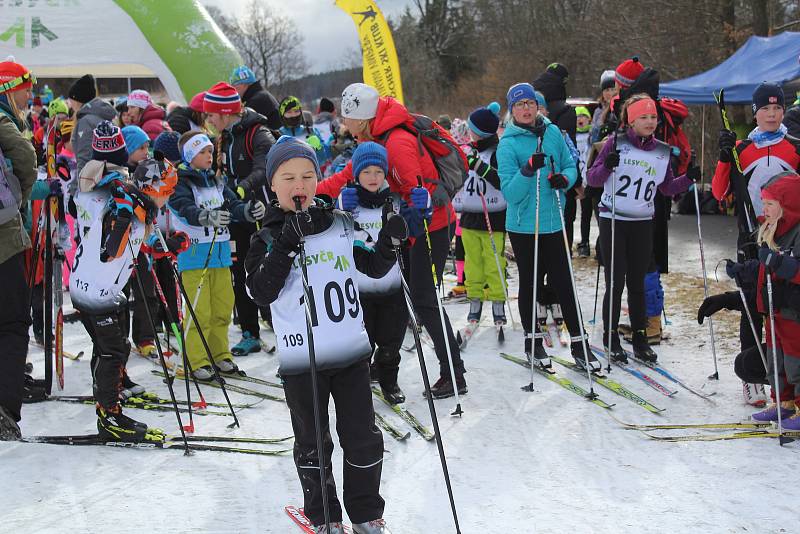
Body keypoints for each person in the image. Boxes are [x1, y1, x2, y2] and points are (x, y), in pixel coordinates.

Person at [245, 136, 404, 534]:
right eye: (288, 178)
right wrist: (285, 241)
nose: (298, 185)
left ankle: (366, 513)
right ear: (273, 185)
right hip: (303, 361)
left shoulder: (339, 222)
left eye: (306, 176)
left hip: (351, 353)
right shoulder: (264, 238)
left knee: (363, 437)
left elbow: (373, 266)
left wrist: (390, 242)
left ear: (318, 179)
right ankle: (324, 516)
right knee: (314, 444)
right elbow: (260, 292)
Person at [317, 82, 467, 399]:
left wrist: (409, 226)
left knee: (423, 299)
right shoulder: (374, 140)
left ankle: (453, 373)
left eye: (347, 117)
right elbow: (343, 179)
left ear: (360, 117)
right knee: (406, 295)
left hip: (431, 228)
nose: (344, 124)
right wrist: (304, 194)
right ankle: (383, 364)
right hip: (408, 230)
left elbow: (418, 196)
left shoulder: (396, 142)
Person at [69, 121, 167, 440]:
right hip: (93, 289)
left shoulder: (137, 206)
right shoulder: (122, 202)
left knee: (112, 347)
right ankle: (109, 415)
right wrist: (120, 219)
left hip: (105, 287)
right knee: (113, 348)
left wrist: (168, 243)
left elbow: (140, 240)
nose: (166, 200)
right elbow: (108, 248)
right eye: (165, 192)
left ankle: (110, 396)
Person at [497, 82, 599, 371]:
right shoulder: (508, 144)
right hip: (524, 227)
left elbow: (570, 165)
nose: (526, 109)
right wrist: (528, 170)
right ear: (512, 110)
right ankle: (533, 343)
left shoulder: (553, 133)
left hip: (554, 221)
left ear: (537, 106)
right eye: (519, 105)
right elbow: (511, 194)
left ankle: (580, 345)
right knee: (531, 284)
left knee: (564, 283)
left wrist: (564, 180)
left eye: (530, 103)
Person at [588, 94, 697, 363]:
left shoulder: (662, 150)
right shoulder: (615, 142)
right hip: (614, 219)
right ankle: (611, 338)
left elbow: (667, 188)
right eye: (643, 117)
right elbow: (592, 179)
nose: (650, 122)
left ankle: (639, 339)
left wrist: (688, 180)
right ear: (631, 120)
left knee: (637, 283)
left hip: (642, 223)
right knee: (615, 282)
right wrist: (607, 166)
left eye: (653, 117)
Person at [712, 82, 800, 369]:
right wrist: (725, 158)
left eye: (777, 108)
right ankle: (752, 375)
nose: (772, 114)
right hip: (751, 236)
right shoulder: (742, 149)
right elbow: (718, 191)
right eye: (765, 109)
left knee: (783, 308)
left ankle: (782, 376)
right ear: (755, 113)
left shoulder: (795, 148)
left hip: (786, 241)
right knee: (752, 304)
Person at [168, 130, 264, 379]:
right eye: (203, 152)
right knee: (200, 311)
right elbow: (183, 207)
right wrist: (205, 216)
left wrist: (248, 211)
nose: (209, 156)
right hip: (194, 254)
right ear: (190, 155)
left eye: (210, 151)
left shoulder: (216, 181)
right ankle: (197, 360)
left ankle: (219, 355)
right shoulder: (180, 182)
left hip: (220, 253)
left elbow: (233, 204)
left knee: (222, 307)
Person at [204, 81, 275, 356]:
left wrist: (242, 187)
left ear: (224, 113)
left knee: (267, 270)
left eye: (211, 115)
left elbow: (265, 167)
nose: (208, 120)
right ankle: (249, 332)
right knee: (240, 272)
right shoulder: (224, 137)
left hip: (262, 213)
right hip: (236, 215)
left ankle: (281, 324)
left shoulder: (258, 133)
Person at [338, 141, 409, 404]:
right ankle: (360, 383)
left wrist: (419, 212)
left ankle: (389, 382)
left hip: (392, 287)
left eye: (378, 172)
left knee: (391, 343)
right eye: (366, 172)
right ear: (356, 174)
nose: (373, 177)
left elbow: (408, 233)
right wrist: (341, 209)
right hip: (359, 290)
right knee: (363, 345)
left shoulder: (395, 201)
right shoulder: (347, 201)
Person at [733, 171, 800, 429]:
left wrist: (783, 265)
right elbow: (765, 268)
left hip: (792, 310)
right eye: (764, 202)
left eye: (770, 203)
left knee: (795, 361)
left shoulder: (796, 234)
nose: (765, 209)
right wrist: (747, 270)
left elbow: (789, 268)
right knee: (776, 359)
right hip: (773, 310)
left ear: (788, 205)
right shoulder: (772, 230)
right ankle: (782, 402)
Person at [0, 59, 39, 439]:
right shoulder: (2, 120)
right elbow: (27, 161)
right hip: (3, 238)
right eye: (25, 89)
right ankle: (4, 411)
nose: (30, 96)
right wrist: (21, 201)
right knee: (12, 323)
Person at [453, 102, 508, 328]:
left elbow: (502, 180)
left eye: (473, 130)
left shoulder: (498, 152)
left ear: (482, 132)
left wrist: (479, 168)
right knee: (472, 263)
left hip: (493, 217)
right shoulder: (470, 150)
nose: (469, 133)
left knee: (494, 263)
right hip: (469, 217)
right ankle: (474, 301)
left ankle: (497, 303)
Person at [67, 73, 117, 174]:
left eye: (71, 100)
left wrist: (78, 187)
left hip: (92, 180)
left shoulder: (86, 122)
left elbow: (84, 159)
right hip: (108, 176)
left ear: (78, 100)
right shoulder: (102, 117)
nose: (70, 104)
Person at [229, 65, 281, 131]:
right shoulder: (262, 95)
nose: (234, 90)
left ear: (244, 84)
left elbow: (239, 128)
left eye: (234, 86)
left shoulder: (257, 100)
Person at [279, 96, 326, 162]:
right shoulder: (277, 135)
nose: (293, 115)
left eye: (296, 111)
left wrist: (319, 148)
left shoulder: (311, 132)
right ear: (282, 114)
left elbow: (323, 160)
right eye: (289, 112)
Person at [575, 105, 594, 257]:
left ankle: (602, 244)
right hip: (582, 181)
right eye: (577, 117)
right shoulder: (572, 136)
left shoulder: (592, 135)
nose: (580, 120)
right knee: (585, 214)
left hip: (594, 179)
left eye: (583, 117)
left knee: (600, 214)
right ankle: (584, 243)